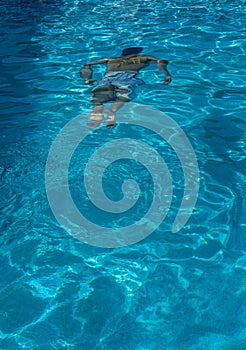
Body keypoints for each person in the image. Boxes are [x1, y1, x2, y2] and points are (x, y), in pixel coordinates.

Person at [80, 47, 172, 128]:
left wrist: (87, 79)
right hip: (127, 77)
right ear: (138, 53)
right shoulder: (144, 58)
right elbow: (161, 62)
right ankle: (112, 111)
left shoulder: (110, 59)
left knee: (98, 98)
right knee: (124, 95)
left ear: (123, 54)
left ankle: (97, 111)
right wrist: (166, 74)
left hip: (108, 78)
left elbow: (87, 65)